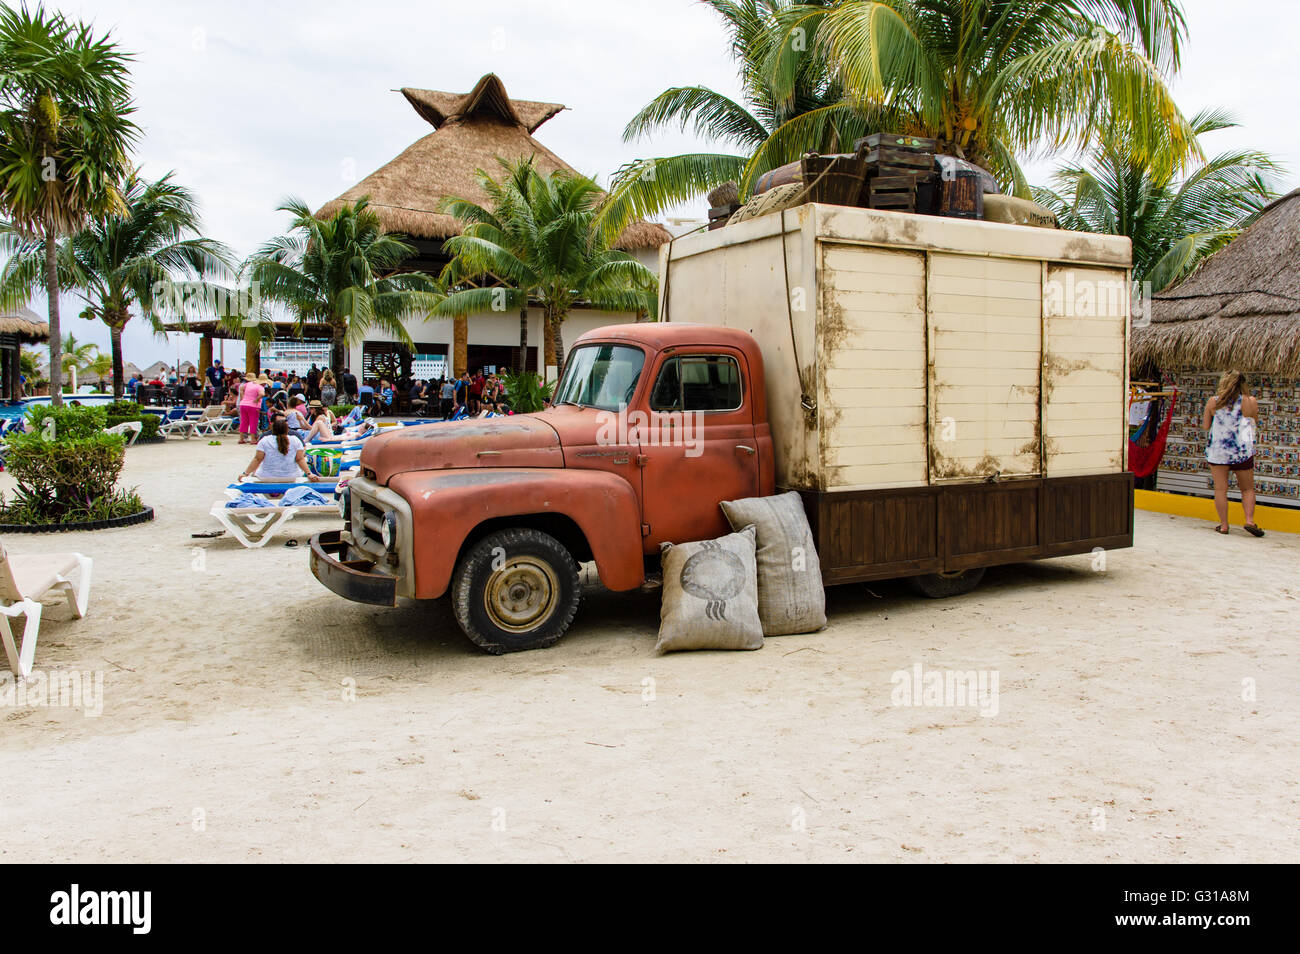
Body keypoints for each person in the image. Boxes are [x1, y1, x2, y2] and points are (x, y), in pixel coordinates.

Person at [1203, 370, 1264, 537]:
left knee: (1221, 490)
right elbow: (1254, 422)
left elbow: (1206, 426)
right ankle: (1249, 521)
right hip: (1241, 451)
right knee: (1247, 489)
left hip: (1218, 453)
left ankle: (1224, 525)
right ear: (1243, 384)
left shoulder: (1212, 402)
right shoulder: (1249, 401)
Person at [239, 417, 308, 481]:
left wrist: (245, 474)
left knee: (255, 474)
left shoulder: (265, 440)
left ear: (272, 429)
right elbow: (300, 459)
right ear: (287, 430)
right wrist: (309, 474)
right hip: (292, 477)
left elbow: (257, 459)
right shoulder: (295, 440)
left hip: (266, 477)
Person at [236, 373, 264, 445]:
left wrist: (243, 398)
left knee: (244, 422)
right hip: (253, 406)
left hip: (243, 404)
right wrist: (257, 399)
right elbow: (262, 394)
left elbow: (241, 389)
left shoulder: (247, 384)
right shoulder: (260, 386)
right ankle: (253, 439)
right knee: (253, 422)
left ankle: (241, 439)